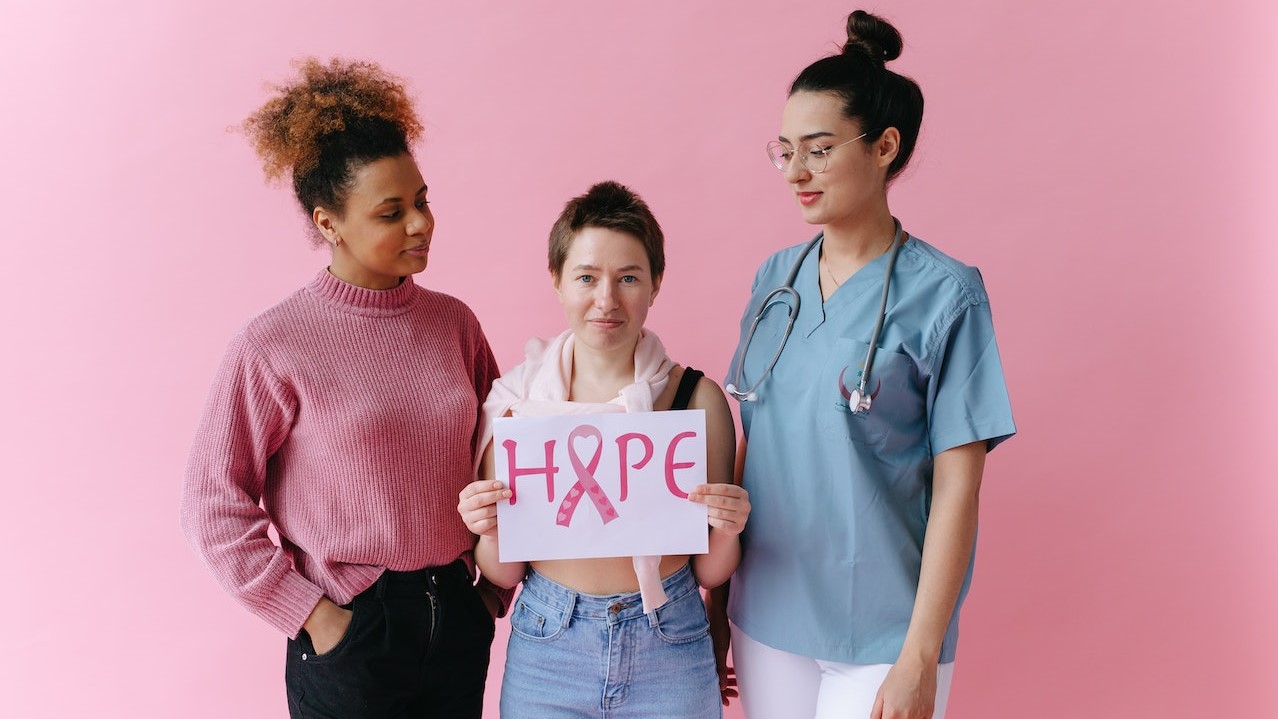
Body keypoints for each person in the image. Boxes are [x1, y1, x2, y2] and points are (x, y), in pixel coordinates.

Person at [712, 11, 1017, 719]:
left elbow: (958, 492)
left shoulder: (947, 294)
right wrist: (716, 603)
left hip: (886, 631)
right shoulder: (775, 281)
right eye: (784, 150)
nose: (796, 171)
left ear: (884, 146)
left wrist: (919, 656)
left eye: (818, 150)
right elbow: (753, 450)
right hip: (767, 620)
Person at [181, 58, 507, 718]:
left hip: (456, 616)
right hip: (351, 630)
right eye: (391, 212)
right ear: (330, 223)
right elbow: (212, 502)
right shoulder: (273, 343)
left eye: (421, 200)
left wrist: (492, 592)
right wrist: (313, 615)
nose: (420, 223)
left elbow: (504, 456)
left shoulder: (455, 323)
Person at [456, 181, 750, 719]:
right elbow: (504, 573)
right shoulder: (518, 404)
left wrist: (729, 525)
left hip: (670, 637)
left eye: (629, 278)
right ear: (558, 281)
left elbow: (710, 570)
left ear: (656, 284)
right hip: (550, 644)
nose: (607, 300)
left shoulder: (696, 400)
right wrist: (489, 527)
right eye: (587, 277)